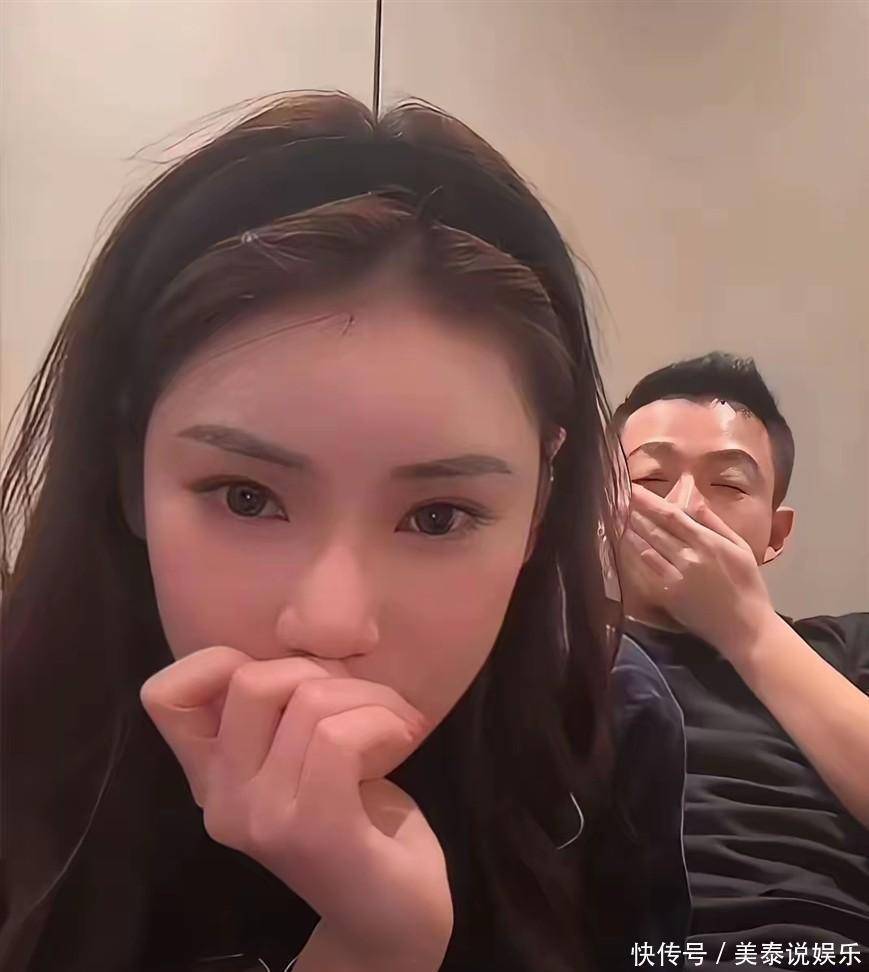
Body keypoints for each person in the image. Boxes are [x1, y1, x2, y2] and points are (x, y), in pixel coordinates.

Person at [0, 92, 687, 972]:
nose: (329, 624)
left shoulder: (606, 727)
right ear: (130, 474)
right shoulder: (23, 740)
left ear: (539, 507)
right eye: (245, 497)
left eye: (437, 517)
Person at [613, 352, 869, 966]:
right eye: (650, 481)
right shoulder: (537, 652)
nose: (684, 508)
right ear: (599, 511)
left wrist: (746, 627)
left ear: (776, 534)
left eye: (727, 485)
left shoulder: (848, 649)